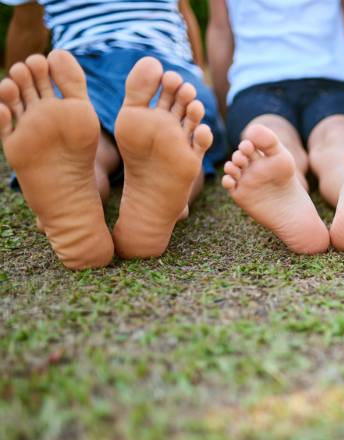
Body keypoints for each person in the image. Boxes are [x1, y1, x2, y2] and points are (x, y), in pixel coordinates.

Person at [0, 0, 228, 269]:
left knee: (86, 141)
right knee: (178, 132)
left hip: (78, 74)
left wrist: (18, 95)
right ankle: (165, 202)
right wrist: (198, 72)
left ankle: (84, 191)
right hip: (164, 65)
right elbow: (182, 11)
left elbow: (28, 27)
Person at [208, 0, 344, 253]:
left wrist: (223, 107)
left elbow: (221, 33)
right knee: (336, 137)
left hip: (256, 86)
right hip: (331, 83)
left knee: (271, 137)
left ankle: (287, 189)